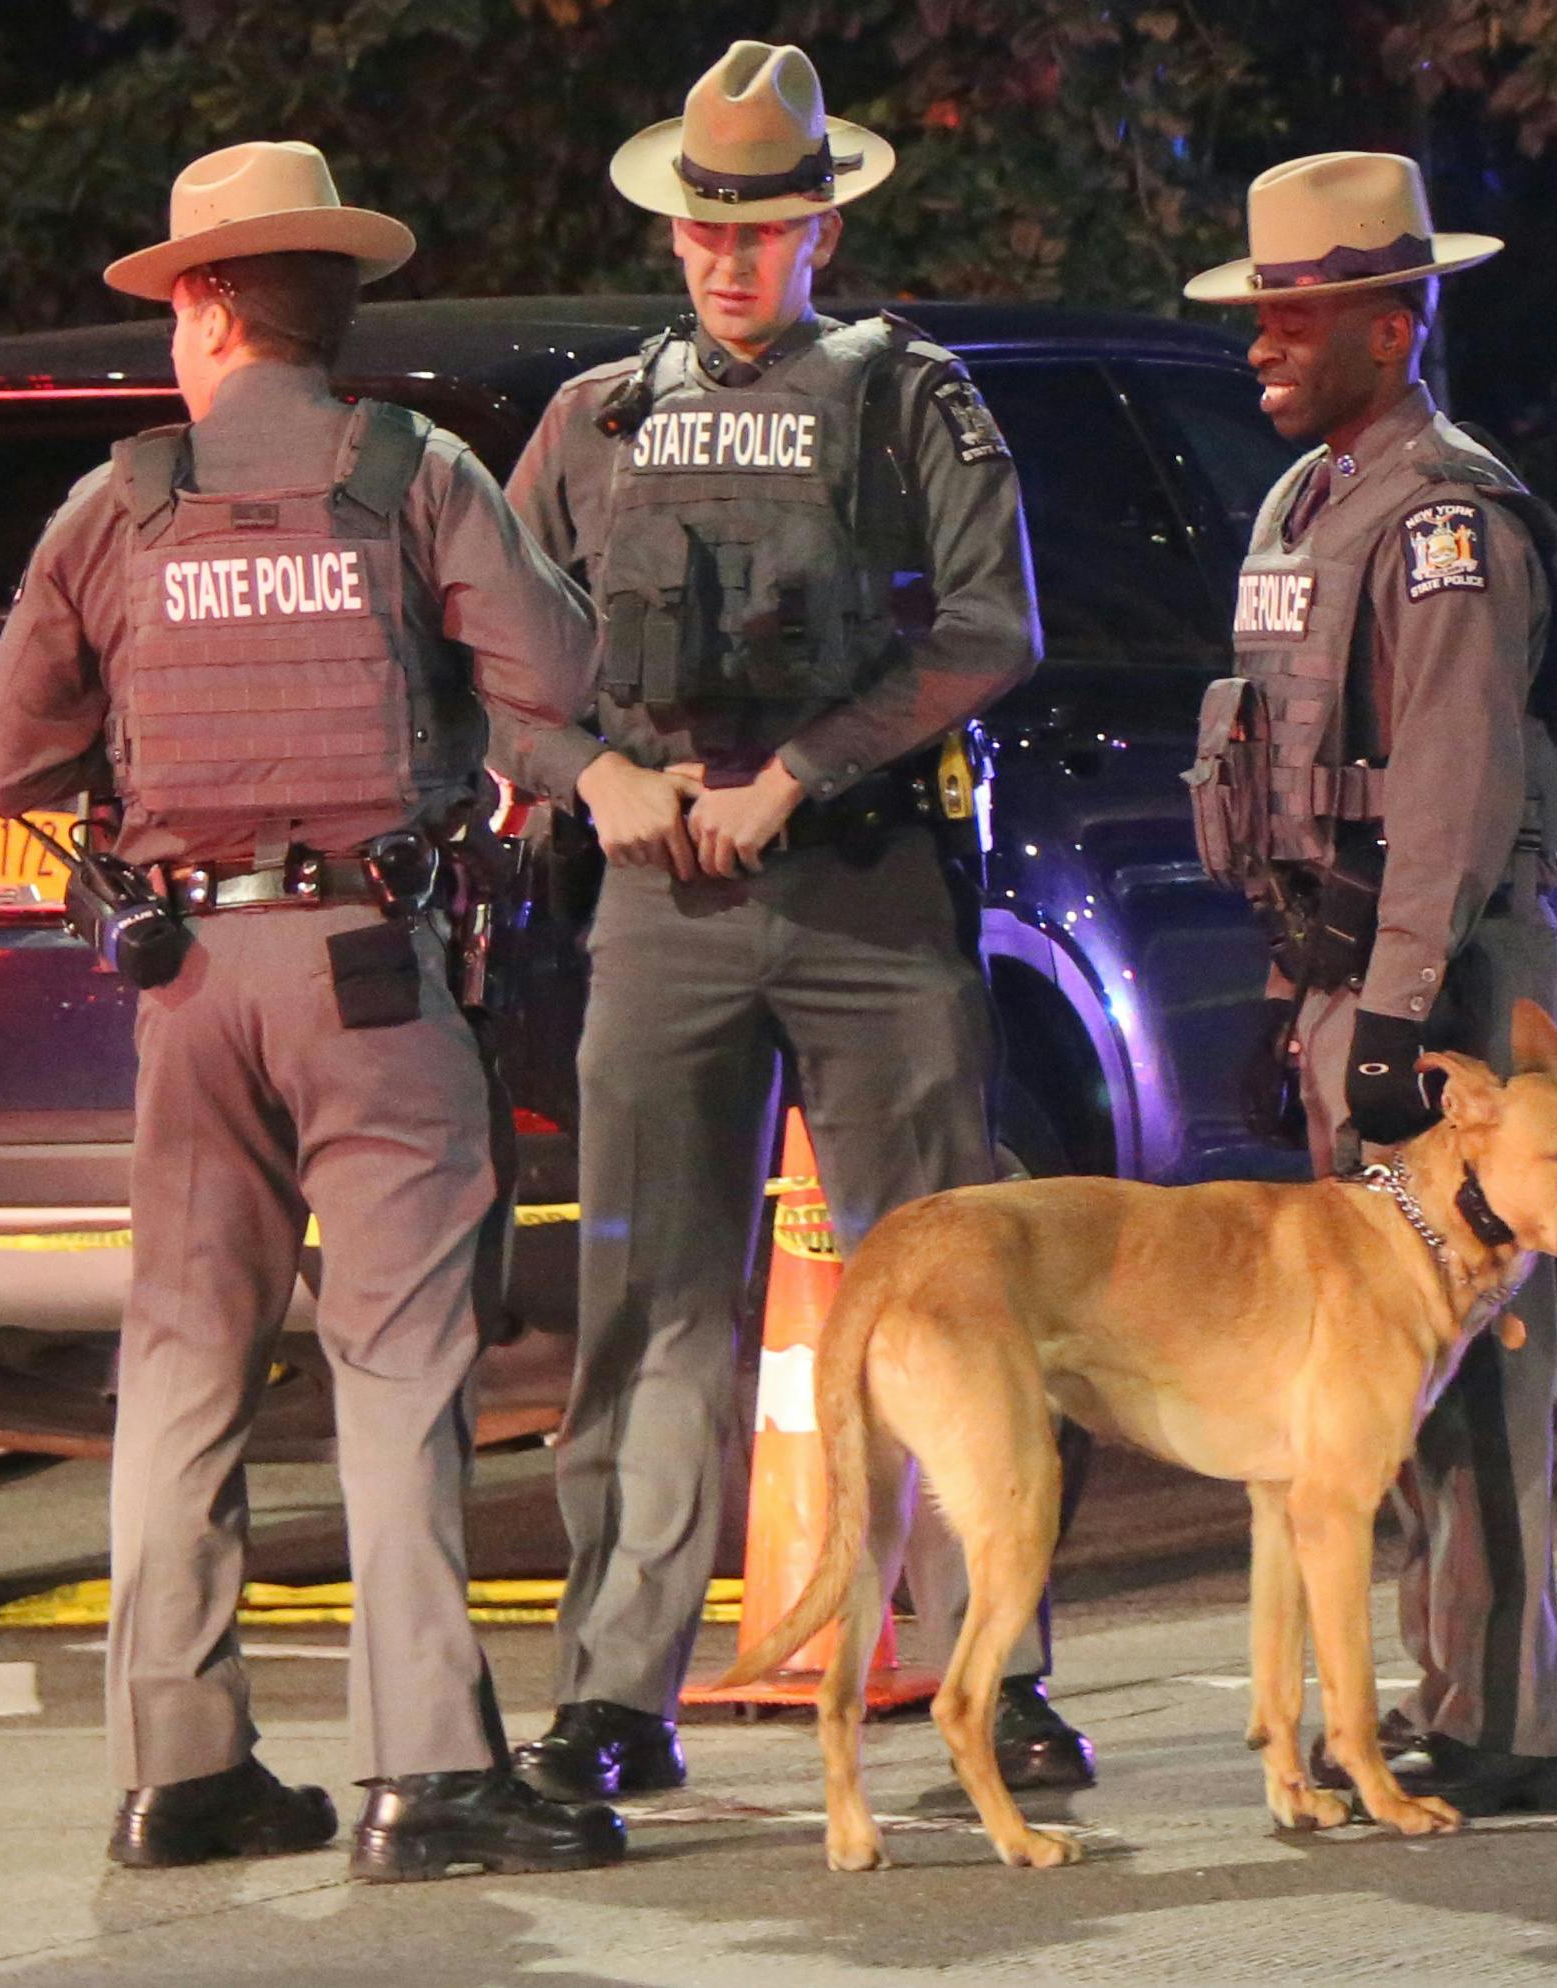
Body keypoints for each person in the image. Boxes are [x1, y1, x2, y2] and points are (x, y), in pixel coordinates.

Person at [0, 140, 624, 1880]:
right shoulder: (411, 473)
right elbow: (552, 683)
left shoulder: (116, 502)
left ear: (202, 303)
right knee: (399, 1368)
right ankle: (428, 1775)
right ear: (326, 306)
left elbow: (2, 755)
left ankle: (180, 1770)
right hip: (363, 969)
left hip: (182, 982)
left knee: (182, 1364)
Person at [486, 41, 1088, 1801]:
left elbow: (989, 630)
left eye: (758, 227)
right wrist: (594, 779)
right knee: (648, 1306)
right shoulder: (592, 421)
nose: (724, 255)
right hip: (659, 900)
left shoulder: (908, 398)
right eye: (700, 225)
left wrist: (801, 771)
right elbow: (496, 667)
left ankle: (1006, 1669)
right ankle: (614, 1697)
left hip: (865, 890)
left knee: (954, 1295)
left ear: (820, 228)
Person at [1179, 151, 1557, 1815]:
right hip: (1347, 975)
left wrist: (1399, 1025)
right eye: (1260, 308)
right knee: (1371, 1370)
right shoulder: (1305, 503)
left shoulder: (1442, 521)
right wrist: (1305, 1006)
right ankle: (1421, 1698)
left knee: (1471, 1365)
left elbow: (1445, 787)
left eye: (1298, 310)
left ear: (1392, 322)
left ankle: (1496, 1723)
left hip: (1433, 984)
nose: (1263, 338)